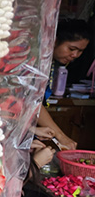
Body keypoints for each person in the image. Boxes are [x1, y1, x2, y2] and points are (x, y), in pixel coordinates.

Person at [36, 19, 92, 150]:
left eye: (80, 51)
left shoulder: (51, 63)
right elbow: (33, 103)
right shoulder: (35, 60)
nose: (75, 55)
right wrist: (62, 137)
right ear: (54, 41)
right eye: (72, 49)